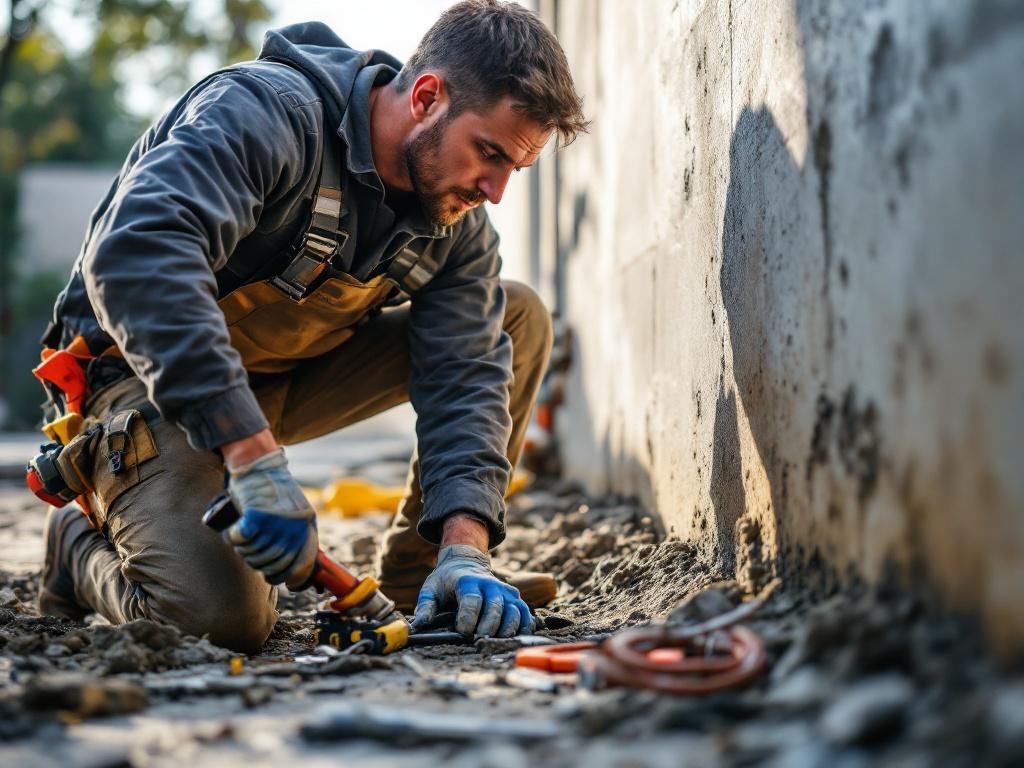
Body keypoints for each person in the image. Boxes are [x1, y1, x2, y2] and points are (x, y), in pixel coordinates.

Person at [35, 0, 586, 652]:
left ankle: (425, 579)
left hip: (280, 379)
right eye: (488, 153)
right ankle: (75, 549)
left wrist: (466, 546)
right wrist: (251, 455)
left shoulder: (456, 225)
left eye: (513, 171)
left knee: (513, 316)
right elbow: (139, 257)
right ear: (428, 97)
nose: (495, 192)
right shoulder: (267, 114)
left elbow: (465, 376)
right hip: (138, 377)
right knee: (220, 624)